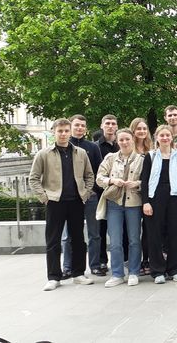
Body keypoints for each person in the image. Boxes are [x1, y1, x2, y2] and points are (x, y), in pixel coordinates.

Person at [29, 118, 95, 291]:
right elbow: (34, 178)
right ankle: (53, 276)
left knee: (78, 239)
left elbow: (90, 175)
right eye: (60, 131)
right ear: (54, 132)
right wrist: (44, 197)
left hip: (76, 202)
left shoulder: (80, 153)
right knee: (53, 241)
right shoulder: (44, 154)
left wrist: (86, 193)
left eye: (66, 131)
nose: (64, 134)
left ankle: (78, 273)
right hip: (54, 202)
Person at [95, 128, 144, 287]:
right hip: (114, 203)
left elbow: (148, 180)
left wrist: (137, 183)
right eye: (121, 140)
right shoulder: (110, 158)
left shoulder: (141, 159)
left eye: (127, 139)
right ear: (117, 141)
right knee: (115, 240)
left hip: (134, 203)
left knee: (134, 240)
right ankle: (117, 273)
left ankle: (134, 272)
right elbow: (99, 178)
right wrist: (112, 181)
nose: (124, 142)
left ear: (132, 140)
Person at [140, 126, 177, 284]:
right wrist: (146, 202)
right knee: (155, 234)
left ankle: (175, 269)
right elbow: (145, 180)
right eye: (162, 135)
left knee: (175, 233)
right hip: (155, 197)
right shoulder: (150, 156)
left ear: (172, 137)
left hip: (175, 197)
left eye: (168, 135)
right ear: (157, 137)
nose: (165, 138)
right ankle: (157, 270)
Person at [61, 115, 104, 277]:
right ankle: (67, 267)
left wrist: (90, 190)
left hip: (90, 196)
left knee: (94, 234)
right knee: (68, 235)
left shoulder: (93, 147)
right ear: (71, 126)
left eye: (82, 126)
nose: (79, 128)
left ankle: (94, 265)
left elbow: (98, 171)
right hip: (70, 197)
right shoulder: (63, 145)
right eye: (77, 125)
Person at [96, 114, 120, 274]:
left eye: (113, 123)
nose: (110, 126)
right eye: (108, 123)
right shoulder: (95, 147)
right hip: (101, 194)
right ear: (102, 125)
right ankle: (101, 261)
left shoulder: (121, 145)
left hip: (119, 195)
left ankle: (122, 259)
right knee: (100, 230)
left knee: (119, 231)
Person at [130, 117, 153, 274]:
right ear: (133, 131)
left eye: (144, 129)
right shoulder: (128, 148)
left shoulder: (151, 149)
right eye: (139, 129)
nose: (142, 131)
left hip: (148, 195)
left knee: (148, 230)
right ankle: (133, 262)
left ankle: (147, 260)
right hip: (131, 195)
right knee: (132, 232)